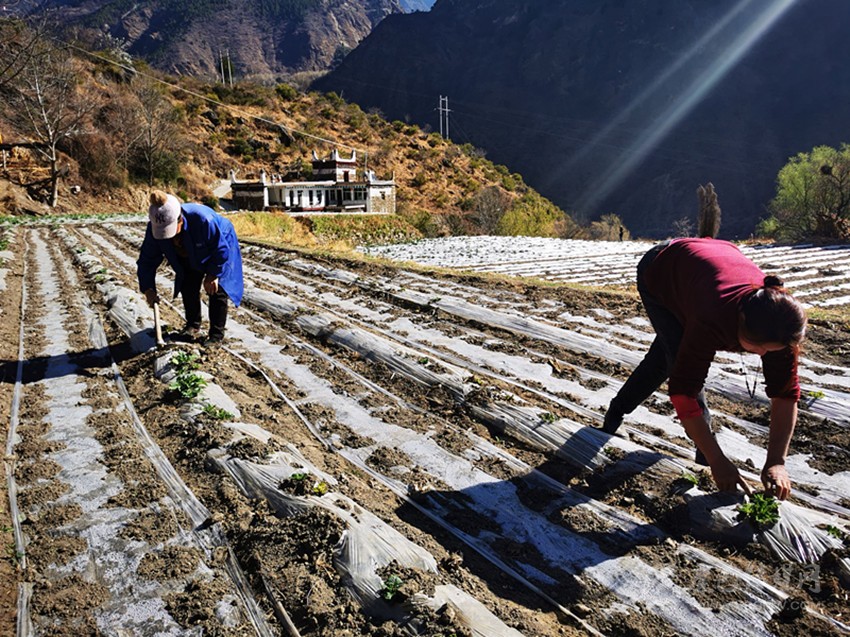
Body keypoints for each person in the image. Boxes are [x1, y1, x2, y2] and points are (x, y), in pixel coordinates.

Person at [601, 237, 806, 500]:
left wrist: (777, 461)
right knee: (675, 360)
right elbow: (684, 392)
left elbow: (785, 394)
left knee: (666, 358)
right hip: (662, 266)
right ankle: (703, 457)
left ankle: (616, 412)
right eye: (757, 348)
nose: (763, 355)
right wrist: (717, 459)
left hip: (709, 263)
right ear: (739, 323)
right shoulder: (712, 317)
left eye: (770, 350)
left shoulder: (782, 326)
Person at [137, 190, 244, 344]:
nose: (169, 236)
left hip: (218, 244)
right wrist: (148, 288)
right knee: (187, 282)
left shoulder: (203, 220)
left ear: (180, 220)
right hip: (187, 250)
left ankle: (216, 334)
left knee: (216, 289)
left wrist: (213, 274)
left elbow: (220, 250)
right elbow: (147, 260)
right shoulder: (155, 228)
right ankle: (193, 325)